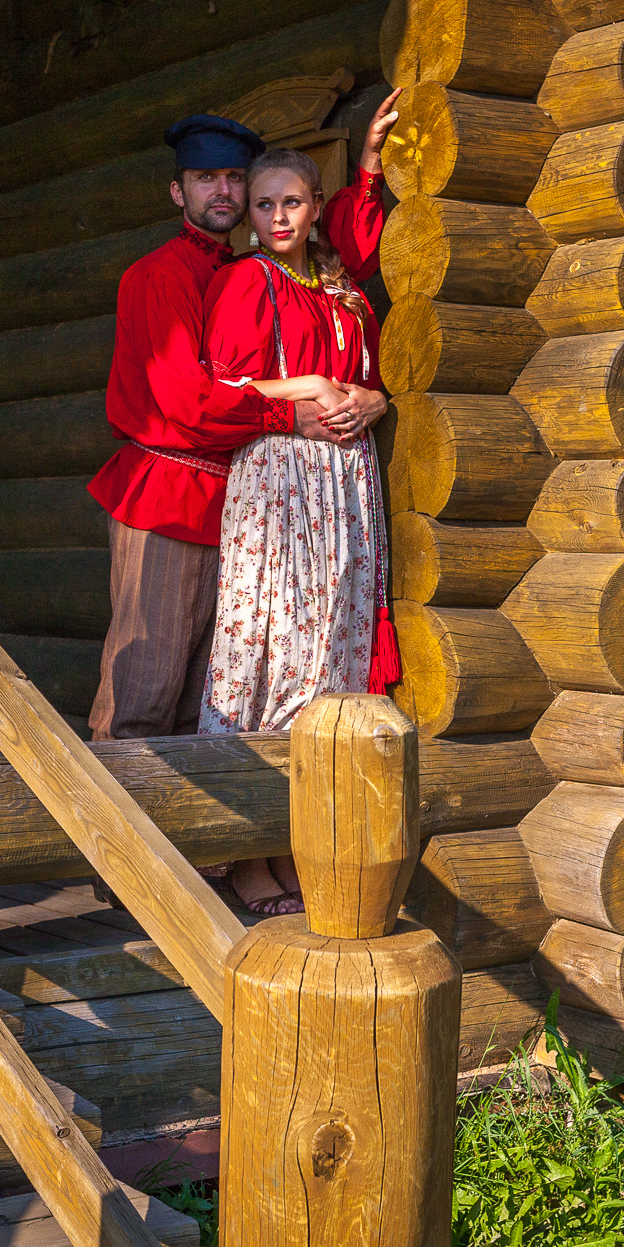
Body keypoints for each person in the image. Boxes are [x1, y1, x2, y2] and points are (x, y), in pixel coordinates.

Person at [86, 101, 396, 744]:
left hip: (234, 498)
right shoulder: (159, 275)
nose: (222, 191)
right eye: (206, 180)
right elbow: (190, 402)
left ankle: (193, 844)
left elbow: (349, 251)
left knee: (207, 697)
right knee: (147, 685)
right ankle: (121, 835)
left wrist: (369, 166)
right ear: (179, 190)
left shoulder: (235, 269)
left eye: (234, 178)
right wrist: (293, 408)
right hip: (169, 492)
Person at [197, 146, 395, 913]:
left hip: (344, 483)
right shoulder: (248, 280)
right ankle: (246, 855)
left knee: (325, 660)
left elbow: (369, 374)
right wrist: (310, 384)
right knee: (268, 651)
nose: (277, 220)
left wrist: (374, 401)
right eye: (263, 207)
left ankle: (291, 845)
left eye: (292, 205)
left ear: (316, 206)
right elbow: (222, 382)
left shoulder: (341, 287)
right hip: (280, 476)